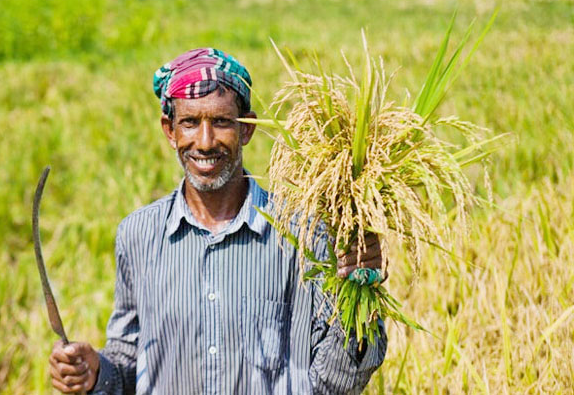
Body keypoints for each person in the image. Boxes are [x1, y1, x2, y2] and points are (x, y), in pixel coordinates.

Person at [48, 48, 387, 394]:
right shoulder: (138, 235)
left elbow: (335, 381)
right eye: (190, 122)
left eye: (221, 122)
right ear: (170, 130)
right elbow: (130, 359)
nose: (205, 142)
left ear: (247, 129)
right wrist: (97, 373)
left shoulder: (303, 235)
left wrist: (360, 290)